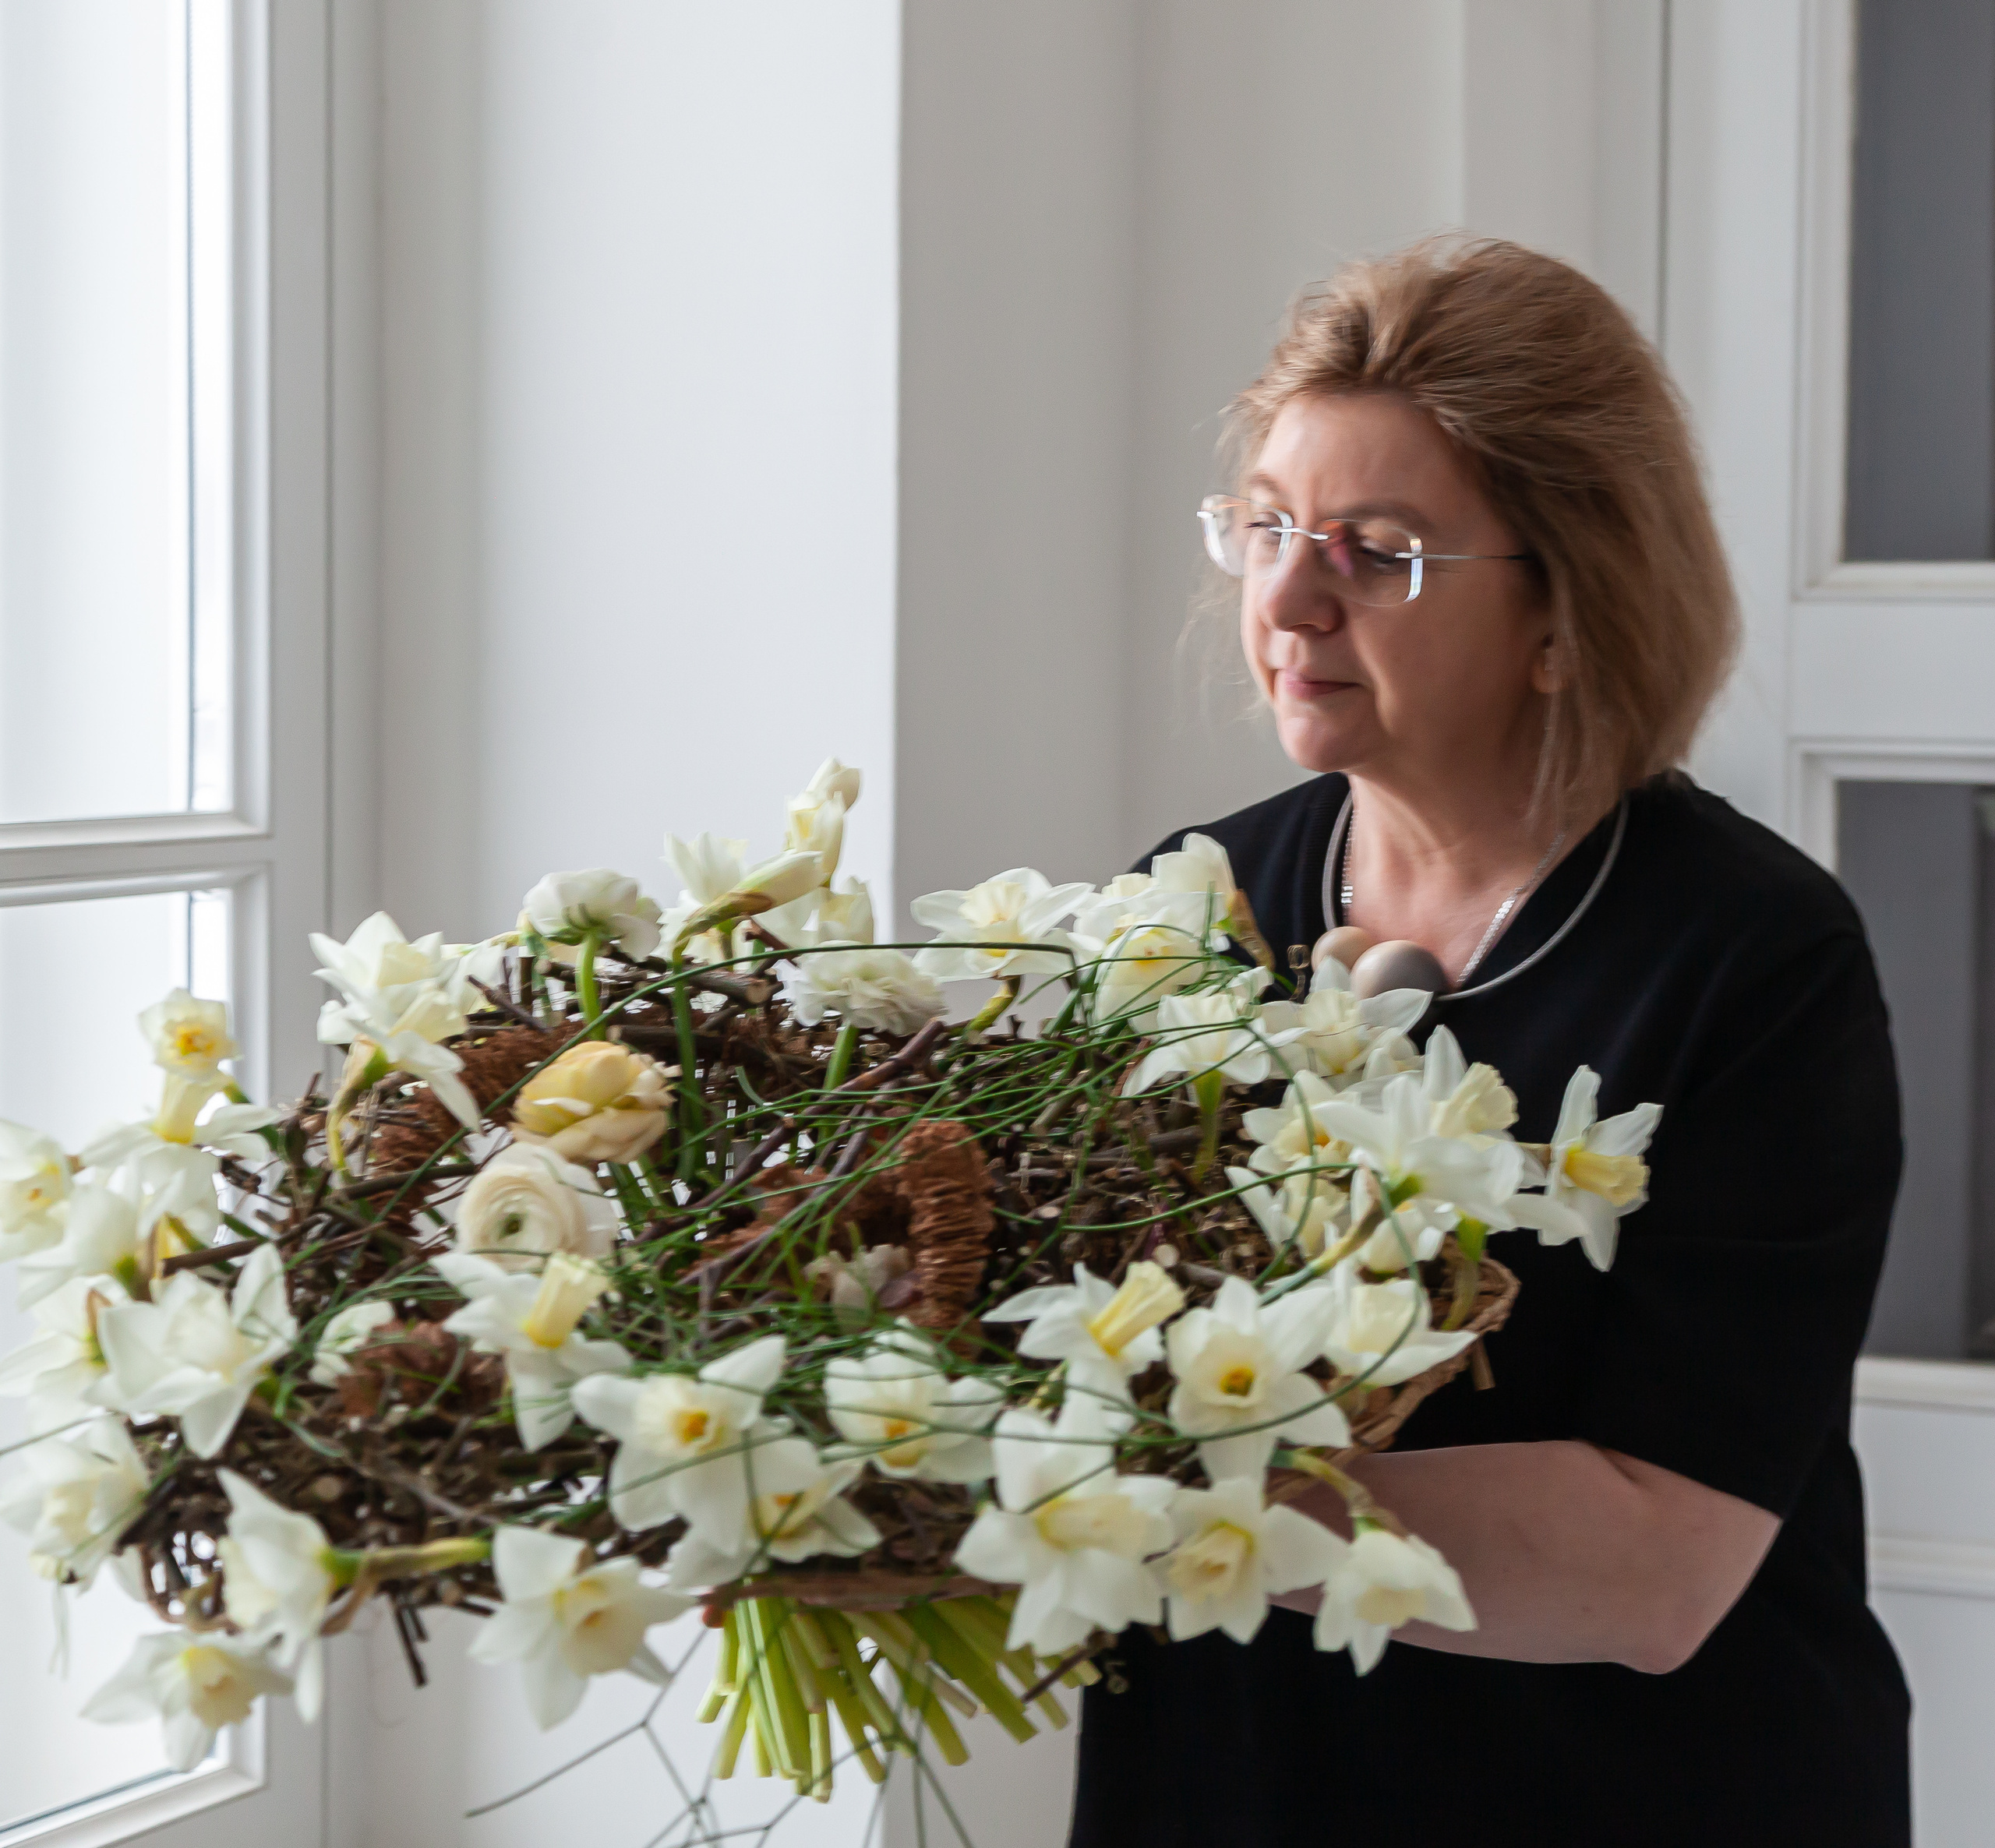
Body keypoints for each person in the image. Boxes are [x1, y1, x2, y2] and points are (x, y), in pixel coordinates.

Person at [1068, 239, 1910, 1847]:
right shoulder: (1188, 908)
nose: (1286, 597)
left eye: (1374, 551)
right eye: (1262, 526)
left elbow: (1657, 1563)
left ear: (1562, 605)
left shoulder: (1751, 958)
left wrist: (1138, 1501)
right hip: (1228, 1785)